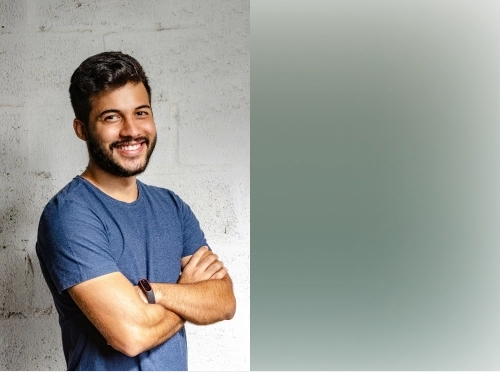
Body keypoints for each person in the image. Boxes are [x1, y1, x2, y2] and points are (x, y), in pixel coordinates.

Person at [35, 51, 236, 371]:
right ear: (82, 129)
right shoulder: (69, 215)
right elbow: (130, 335)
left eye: (141, 112)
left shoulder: (172, 207)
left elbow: (224, 301)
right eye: (111, 117)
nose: (131, 130)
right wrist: (187, 292)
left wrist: (151, 293)